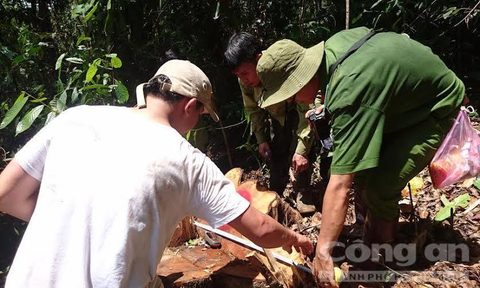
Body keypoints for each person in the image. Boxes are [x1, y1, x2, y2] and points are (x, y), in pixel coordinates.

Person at [0, 59, 313, 288]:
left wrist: (78, 222)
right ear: (190, 106)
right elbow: (259, 228)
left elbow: (6, 195)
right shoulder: (187, 160)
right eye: (200, 116)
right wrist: (298, 239)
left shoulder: (74, 119)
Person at [255, 27, 465, 286]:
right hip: (401, 106)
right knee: (365, 171)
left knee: (380, 186)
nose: (293, 101)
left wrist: (322, 252)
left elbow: (341, 184)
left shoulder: (350, 90)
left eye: (291, 94)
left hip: (435, 108)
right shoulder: (333, 49)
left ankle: (382, 263)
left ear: (302, 78)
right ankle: (373, 242)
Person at [224, 32, 319, 213]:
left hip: (299, 111)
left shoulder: (280, 66)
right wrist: (261, 139)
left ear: (259, 59)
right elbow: (252, 108)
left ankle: (302, 191)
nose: (244, 79)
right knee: (277, 153)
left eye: (245, 73)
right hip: (277, 118)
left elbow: (306, 108)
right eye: (239, 75)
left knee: (300, 153)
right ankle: (276, 191)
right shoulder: (245, 80)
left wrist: (302, 150)